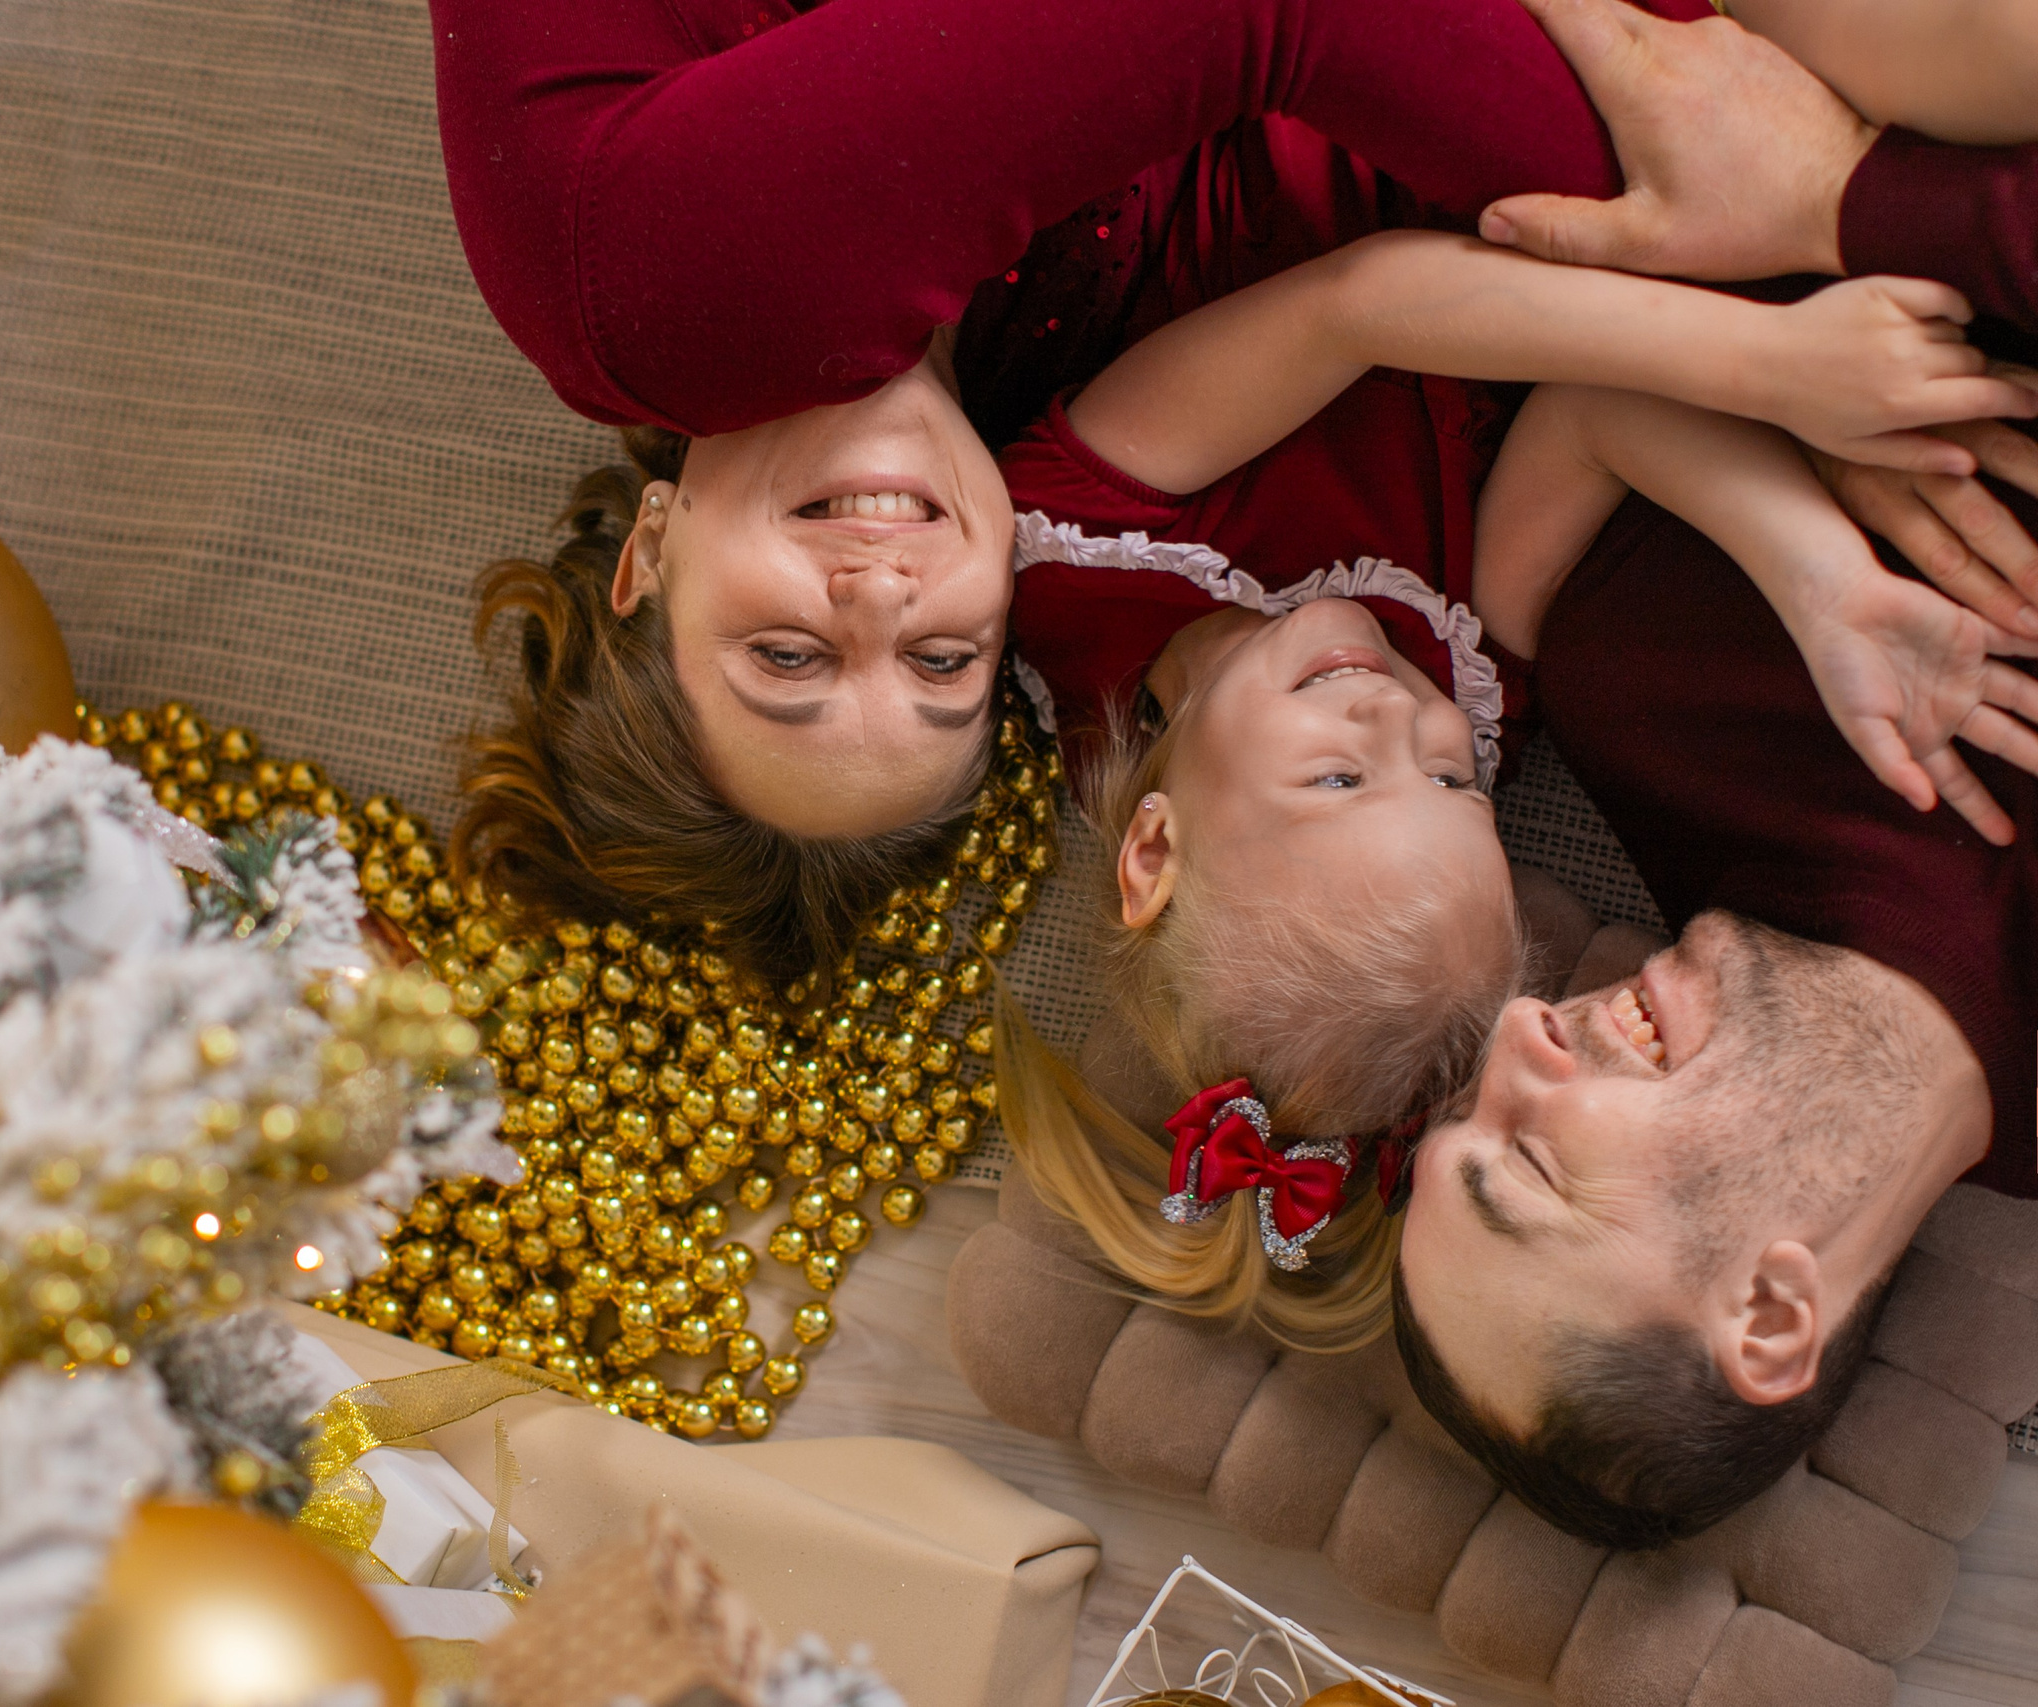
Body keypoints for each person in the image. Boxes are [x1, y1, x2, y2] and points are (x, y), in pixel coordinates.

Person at [433, 0, 2038, 980]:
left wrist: (1825, 245)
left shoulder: (679, 313)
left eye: (785, 656)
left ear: (649, 555)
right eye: (940, 666)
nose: (886, 598)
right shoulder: (993, 369)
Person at [989, 205, 2035, 1349]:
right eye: (1454, 783)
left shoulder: (1074, 566)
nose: (1397, 714)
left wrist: (1789, 426)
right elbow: (1593, 418)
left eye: (1340, 780)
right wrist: (1811, 566)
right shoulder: (1483, 678)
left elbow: (1369, 306)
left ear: (1151, 846)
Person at [1389, 0, 2038, 1551]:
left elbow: (1592, 417)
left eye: (1463, 1107)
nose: (1526, 1032)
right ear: (1766, 1308)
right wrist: (1848, 200)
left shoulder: (1638, 727)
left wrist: (1809, 558)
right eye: (1530, 1163)